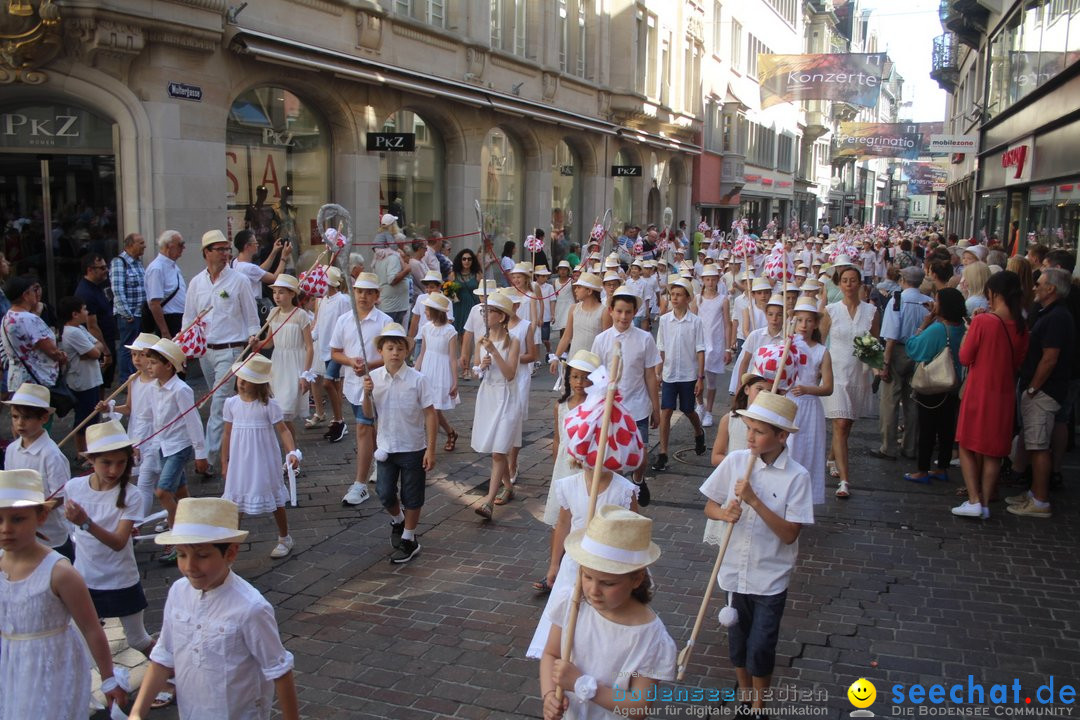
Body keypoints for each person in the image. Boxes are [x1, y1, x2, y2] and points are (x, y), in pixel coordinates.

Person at [129, 498, 299, 720]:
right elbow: (163, 656)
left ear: (230, 553)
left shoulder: (251, 608)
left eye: (202, 555)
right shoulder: (178, 593)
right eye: (181, 554)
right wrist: (137, 712)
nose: (190, 566)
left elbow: (279, 670)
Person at [699, 392, 813, 716]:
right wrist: (723, 514)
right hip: (733, 571)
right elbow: (709, 504)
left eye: (758, 431)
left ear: (780, 436)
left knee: (761, 645)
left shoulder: (798, 477)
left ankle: (761, 704)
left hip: (770, 575)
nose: (749, 436)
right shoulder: (736, 461)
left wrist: (754, 501)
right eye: (748, 428)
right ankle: (745, 696)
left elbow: (790, 534)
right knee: (737, 643)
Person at [0, 469, 127, 719]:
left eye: (17, 519)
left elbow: (91, 628)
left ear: (41, 516)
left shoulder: (59, 572)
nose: (6, 529)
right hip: (9, 661)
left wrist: (108, 677)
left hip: (50, 663)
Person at [538, 506, 676, 720]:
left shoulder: (650, 636)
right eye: (587, 576)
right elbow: (551, 654)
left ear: (636, 580)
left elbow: (639, 707)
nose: (593, 590)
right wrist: (548, 695)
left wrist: (580, 684)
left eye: (608, 583)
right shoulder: (573, 603)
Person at [527, 437, 639, 659]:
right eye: (588, 454)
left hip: (608, 562)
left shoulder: (624, 490)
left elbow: (633, 532)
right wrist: (554, 563)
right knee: (568, 609)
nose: (594, 461)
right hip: (575, 561)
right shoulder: (569, 485)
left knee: (601, 609)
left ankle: (596, 654)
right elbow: (563, 525)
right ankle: (563, 653)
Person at [63, 420, 155, 658]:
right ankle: (105, 682)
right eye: (106, 463)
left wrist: (86, 523)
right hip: (85, 580)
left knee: (137, 639)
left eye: (121, 463)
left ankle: (170, 674)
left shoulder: (132, 495)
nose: (114, 470)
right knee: (83, 639)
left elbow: (118, 542)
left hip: (120, 579)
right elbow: (67, 526)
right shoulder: (73, 487)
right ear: (90, 460)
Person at [183, 230, 260, 474]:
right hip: (206, 351)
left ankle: (207, 458)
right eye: (220, 249)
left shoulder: (239, 280)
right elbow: (188, 319)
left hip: (232, 350)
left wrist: (253, 335)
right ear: (206, 253)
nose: (226, 254)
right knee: (224, 402)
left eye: (227, 249)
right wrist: (183, 349)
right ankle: (237, 441)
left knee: (217, 403)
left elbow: (251, 316)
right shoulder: (196, 282)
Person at [953, 271, 1028, 519]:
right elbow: (1018, 361)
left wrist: (971, 329)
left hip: (979, 390)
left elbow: (965, 356)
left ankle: (974, 499)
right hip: (1004, 392)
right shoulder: (1021, 326)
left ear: (993, 294)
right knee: (993, 450)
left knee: (966, 444)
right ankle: (984, 502)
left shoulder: (984, 321)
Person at [361, 323, 436, 563]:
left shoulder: (418, 380)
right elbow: (368, 413)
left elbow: (430, 413)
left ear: (406, 352)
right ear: (381, 351)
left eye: (399, 348)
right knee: (384, 492)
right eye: (389, 348)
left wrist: (431, 449)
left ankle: (409, 538)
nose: (395, 352)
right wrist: (366, 393)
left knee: (412, 495)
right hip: (386, 446)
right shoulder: (373, 378)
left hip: (413, 446)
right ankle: (399, 520)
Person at [1008, 268, 1074, 519]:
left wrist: (1034, 387)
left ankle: (1040, 499)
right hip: (1039, 387)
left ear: (1051, 289)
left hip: (1044, 390)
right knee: (1033, 441)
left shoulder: (1057, 317)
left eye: (1040, 283)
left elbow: (1050, 357)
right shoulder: (1052, 313)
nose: (1034, 287)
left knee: (1038, 446)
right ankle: (1035, 492)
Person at [221, 354, 299, 558]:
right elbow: (227, 433)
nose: (242, 383)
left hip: (263, 460)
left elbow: (283, 430)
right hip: (239, 462)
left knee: (275, 498)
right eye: (240, 379)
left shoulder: (268, 405)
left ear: (259, 384)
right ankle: (230, 544)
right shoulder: (231, 404)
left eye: (248, 381)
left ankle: (285, 537)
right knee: (234, 503)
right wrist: (225, 461)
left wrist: (291, 452)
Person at [537, 349, 601, 592]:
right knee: (559, 522)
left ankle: (584, 573)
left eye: (586, 378)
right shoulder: (561, 406)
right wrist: (555, 466)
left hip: (585, 468)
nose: (580, 383)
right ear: (567, 378)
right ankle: (554, 569)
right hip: (564, 468)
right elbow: (557, 438)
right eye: (575, 377)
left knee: (584, 520)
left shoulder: (596, 406)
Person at [591, 287, 661, 505]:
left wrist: (655, 408)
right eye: (619, 311)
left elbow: (650, 374)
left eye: (628, 312)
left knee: (640, 454)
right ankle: (618, 497)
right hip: (611, 408)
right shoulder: (602, 340)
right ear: (611, 311)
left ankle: (639, 480)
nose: (623, 317)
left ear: (634, 312)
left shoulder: (644, 339)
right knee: (615, 455)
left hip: (638, 406)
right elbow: (595, 375)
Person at [331, 272, 393, 506]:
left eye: (369, 292)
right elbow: (335, 351)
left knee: (365, 428)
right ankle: (373, 465)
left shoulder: (385, 322)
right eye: (359, 291)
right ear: (353, 293)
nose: (363, 296)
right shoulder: (344, 320)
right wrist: (351, 362)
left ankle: (360, 483)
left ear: (377, 296)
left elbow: (393, 355)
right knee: (366, 428)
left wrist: (369, 365)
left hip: (379, 384)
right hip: (354, 384)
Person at [145, 338, 209, 561]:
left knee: (163, 492)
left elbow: (193, 421)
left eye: (153, 362)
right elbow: (156, 420)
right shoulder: (153, 388)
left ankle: (176, 539)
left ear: (169, 365)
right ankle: (193, 526)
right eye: (149, 362)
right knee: (181, 493)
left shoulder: (181, 390)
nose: (148, 366)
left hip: (179, 446)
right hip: (164, 445)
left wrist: (200, 453)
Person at [821, 261, 880, 498]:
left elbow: (875, 343)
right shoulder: (831, 310)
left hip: (859, 373)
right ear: (839, 283)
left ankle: (833, 456)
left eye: (852, 280)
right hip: (836, 371)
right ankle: (845, 481)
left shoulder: (872, 312)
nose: (848, 285)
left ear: (859, 283)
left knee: (847, 425)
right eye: (844, 280)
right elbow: (821, 341)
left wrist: (877, 369)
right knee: (841, 423)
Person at [903, 288, 966, 485]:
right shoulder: (962, 328)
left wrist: (924, 323)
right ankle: (942, 468)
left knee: (928, 428)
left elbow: (913, 347)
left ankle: (922, 470)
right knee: (947, 429)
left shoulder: (938, 329)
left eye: (937, 301)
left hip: (934, 386)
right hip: (954, 385)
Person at [3, 383, 72, 559]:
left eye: (27, 418)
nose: (20, 423)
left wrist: (38, 510)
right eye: (15, 417)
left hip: (51, 535)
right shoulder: (11, 449)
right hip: (21, 530)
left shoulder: (51, 454)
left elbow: (62, 494)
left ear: (44, 418)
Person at [471, 292, 521, 520]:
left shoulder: (514, 341)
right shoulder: (481, 340)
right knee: (495, 449)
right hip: (488, 396)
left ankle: (488, 502)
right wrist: (481, 365)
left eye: (489, 311)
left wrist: (494, 352)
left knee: (498, 453)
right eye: (484, 311)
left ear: (501, 317)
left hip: (507, 398)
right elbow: (475, 372)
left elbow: (510, 374)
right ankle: (508, 486)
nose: (485, 315)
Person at [875, 266, 931, 461]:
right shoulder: (929, 302)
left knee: (890, 401)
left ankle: (888, 447)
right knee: (912, 401)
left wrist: (886, 362)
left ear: (903, 280)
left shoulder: (897, 300)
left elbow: (891, 334)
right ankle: (910, 446)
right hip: (920, 353)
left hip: (898, 350)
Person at [653, 276, 707, 471]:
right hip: (669, 374)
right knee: (666, 410)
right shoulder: (665, 320)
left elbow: (700, 350)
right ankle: (663, 452)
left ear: (687, 298)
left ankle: (698, 431)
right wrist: (658, 373)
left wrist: (700, 378)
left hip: (688, 374)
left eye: (679, 295)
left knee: (688, 410)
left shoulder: (695, 322)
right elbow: (661, 348)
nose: (674, 298)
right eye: (672, 294)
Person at [103, 332, 160, 517]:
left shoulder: (158, 383)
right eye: (134, 354)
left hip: (153, 432)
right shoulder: (132, 380)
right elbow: (129, 408)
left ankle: (137, 523)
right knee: (141, 479)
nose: (137, 359)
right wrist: (110, 408)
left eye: (142, 354)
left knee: (148, 480)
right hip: (136, 431)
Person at [786, 298, 833, 505]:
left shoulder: (822, 351)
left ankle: (804, 499)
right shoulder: (787, 347)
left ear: (815, 323)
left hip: (810, 407)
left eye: (808, 321)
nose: (803, 325)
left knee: (809, 450)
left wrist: (807, 389)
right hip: (788, 405)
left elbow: (828, 387)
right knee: (787, 449)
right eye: (799, 321)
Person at [263, 274, 314, 437]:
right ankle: (290, 451)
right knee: (278, 412)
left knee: (284, 412)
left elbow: (309, 347)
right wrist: (255, 343)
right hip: (277, 365)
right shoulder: (273, 313)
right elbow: (269, 343)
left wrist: (305, 374)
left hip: (294, 365)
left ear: (292, 294)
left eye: (282, 292)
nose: (277, 296)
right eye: (275, 292)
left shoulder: (300, 315)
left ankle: (291, 451)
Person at [1, 276, 65, 392]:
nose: (36, 293)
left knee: (21, 410)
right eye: (33, 290)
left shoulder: (8, 317)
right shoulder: (29, 319)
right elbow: (51, 351)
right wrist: (62, 357)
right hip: (36, 381)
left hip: (17, 379)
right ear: (25, 295)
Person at [58, 296, 105, 452]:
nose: (87, 312)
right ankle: (81, 453)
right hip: (82, 382)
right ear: (74, 314)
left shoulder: (80, 329)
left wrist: (92, 351)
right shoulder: (72, 332)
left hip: (90, 379)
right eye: (84, 309)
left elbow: (98, 345)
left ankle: (89, 450)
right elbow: (95, 353)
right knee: (85, 419)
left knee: (92, 416)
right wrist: (92, 351)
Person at [415, 293, 460, 451]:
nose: (425, 312)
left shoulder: (450, 331)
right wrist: (415, 372)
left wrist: (455, 381)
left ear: (436, 311)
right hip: (427, 370)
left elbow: (453, 358)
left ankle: (430, 446)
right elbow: (422, 352)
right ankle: (450, 432)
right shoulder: (426, 328)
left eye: (427, 309)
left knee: (433, 409)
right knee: (430, 408)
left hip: (441, 372)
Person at [308, 267, 350, 437]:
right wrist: (308, 337)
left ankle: (339, 420)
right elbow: (319, 324)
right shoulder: (322, 300)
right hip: (325, 348)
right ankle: (338, 420)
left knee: (329, 382)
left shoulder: (343, 300)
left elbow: (348, 323)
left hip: (337, 349)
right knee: (335, 384)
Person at [550, 272, 609, 374]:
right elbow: (566, 336)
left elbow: (607, 341)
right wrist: (556, 357)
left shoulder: (604, 311)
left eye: (579, 287)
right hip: (574, 359)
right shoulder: (574, 308)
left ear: (589, 291)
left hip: (594, 363)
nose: (575, 290)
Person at [696, 265, 732, 428]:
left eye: (713, 279)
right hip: (699, 344)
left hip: (715, 344)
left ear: (718, 280)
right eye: (707, 279)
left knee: (711, 381)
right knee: (697, 378)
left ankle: (709, 411)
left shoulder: (723, 299)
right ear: (703, 280)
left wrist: (727, 348)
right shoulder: (697, 299)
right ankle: (700, 405)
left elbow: (727, 324)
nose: (710, 282)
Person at [74, 253, 116, 388]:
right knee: (98, 385)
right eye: (102, 268)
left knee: (103, 384)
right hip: (97, 345)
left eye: (106, 267)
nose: (106, 270)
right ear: (90, 270)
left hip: (107, 339)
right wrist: (105, 351)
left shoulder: (99, 286)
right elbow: (92, 325)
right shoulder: (86, 292)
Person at [111, 232, 147, 380]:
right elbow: (118, 290)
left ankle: (136, 376)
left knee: (137, 348)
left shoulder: (138, 263)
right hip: (129, 315)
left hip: (140, 313)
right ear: (130, 245)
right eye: (141, 243)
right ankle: (126, 379)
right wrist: (127, 314)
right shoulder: (119, 262)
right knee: (127, 348)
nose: (144, 246)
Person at [144, 230, 187, 338]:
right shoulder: (157, 268)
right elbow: (154, 303)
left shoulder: (173, 267)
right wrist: (164, 332)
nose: (183, 248)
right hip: (169, 320)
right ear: (169, 246)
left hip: (179, 318)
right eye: (180, 245)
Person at [231, 229, 287, 299]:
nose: (257, 245)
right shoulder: (249, 268)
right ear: (247, 246)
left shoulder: (235, 262)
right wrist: (284, 257)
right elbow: (274, 278)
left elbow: (259, 271)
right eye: (255, 243)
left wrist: (274, 251)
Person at [451, 248, 481, 334]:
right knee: (459, 332)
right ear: (460, 260)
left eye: (469, 259)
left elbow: (482, 291)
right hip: (458, 306)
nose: (466, 261)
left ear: (473, 261)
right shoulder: (454, 274)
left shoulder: (477, 274)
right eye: (464, 259)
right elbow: (449, 292)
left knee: (473, 332)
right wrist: (453, 296)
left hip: (473, 305)